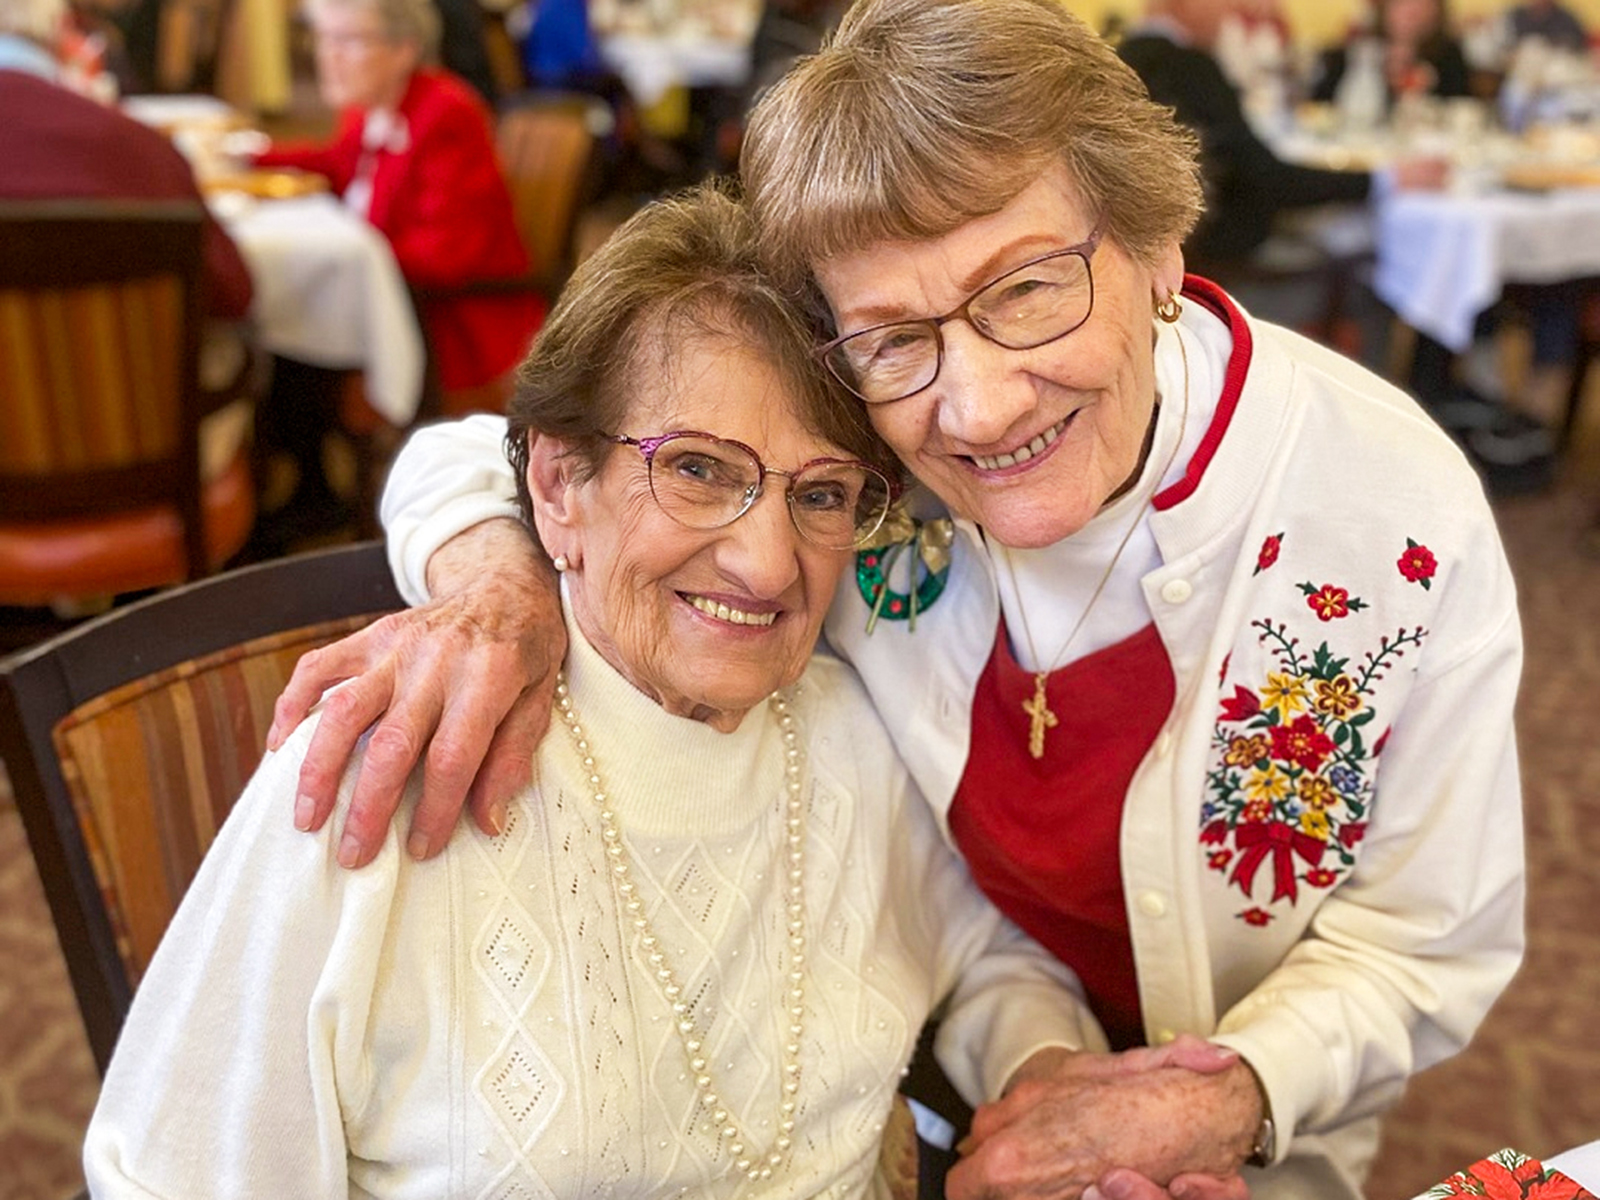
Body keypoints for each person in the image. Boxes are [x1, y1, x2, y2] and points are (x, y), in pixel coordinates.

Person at [268, 0, 1528, 1196]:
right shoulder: (846, 469)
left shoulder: (1384, 513)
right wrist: (501, 584)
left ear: (1155, 248)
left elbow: (1427, 936)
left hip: (1265, 1138)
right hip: (918, 1097)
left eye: (1028, 288)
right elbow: (492, 447)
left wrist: (1234, 1094)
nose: (976, 407)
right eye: (893, 335)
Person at [85, 182, 1209, 1198]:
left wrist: (1047, 1082)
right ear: (561, 486)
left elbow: (989, 956)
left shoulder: (853, 731)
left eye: (821, 496)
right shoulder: (399, 747)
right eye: (698, 470)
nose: (767, 565)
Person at [247, 0, 541, 538]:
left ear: (403, 49)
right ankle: (307, 486)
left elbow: (448, 254)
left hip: (451, 321)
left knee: (285, 327)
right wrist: (251, 156)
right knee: (286, 318)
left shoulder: (446, 113)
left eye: (348, 42)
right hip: (402, 300)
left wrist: (356, 256)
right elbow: (336, 164)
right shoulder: (373, 107)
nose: (328, 58)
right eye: (323, 39)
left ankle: (314, 497)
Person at [1310, 0, 1472, 108]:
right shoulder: (1357, 50)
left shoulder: (1449, 55)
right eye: (1402, 3)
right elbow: (1321, 104)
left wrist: (1429, 83)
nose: (1413, 11)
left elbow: (1463, 104)